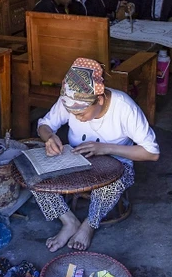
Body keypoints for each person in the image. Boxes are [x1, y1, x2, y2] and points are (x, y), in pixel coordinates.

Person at [34, 58, 159, 252]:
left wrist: (106, 149)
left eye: (81, 113)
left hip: (117, 166)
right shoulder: (71, 98)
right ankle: (69, 222)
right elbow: (44, 124)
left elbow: (152, 153)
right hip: (75, 158)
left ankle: (89, 224)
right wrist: (49, 137)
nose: (76, 117)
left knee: (110, 186)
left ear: (99, 100)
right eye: (71, 112)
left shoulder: (124, 108)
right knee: (33, 176)